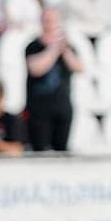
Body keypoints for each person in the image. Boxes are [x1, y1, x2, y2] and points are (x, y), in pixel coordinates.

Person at [23, 8, 81, 153]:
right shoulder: (33, 46)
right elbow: (36, 69)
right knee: (40, 150)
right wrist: (54, 49)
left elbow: (79, 67)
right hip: (39, 108)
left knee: (62, 149)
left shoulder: (68, 47)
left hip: (62, 107)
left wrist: (65, 49)